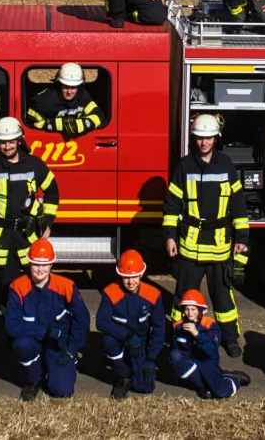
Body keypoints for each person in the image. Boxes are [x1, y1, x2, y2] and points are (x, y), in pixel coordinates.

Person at [163, 114, 249, 358]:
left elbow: (239, 207)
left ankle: (230, 339)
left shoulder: (226, 165)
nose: (204, 142)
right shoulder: (184, 166)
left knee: (223, 297)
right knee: (183, 295)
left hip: (219, 244)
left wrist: (242, 239)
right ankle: (179, 335)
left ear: (216, 138)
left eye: (208, 138)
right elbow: (171, 205)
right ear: (194, 139)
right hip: (189, 245)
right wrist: (169, 236)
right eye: (200, 138)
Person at [0, 117, 59, 306]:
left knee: (38, 280)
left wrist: (48, 222)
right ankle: (11, 325)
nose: (7, 146)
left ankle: (37, 318)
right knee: (7, 285)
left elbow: (52, 192)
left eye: (11, 141)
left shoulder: (35, 165)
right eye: (3, 142)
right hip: (1, 237)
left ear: (19, 140)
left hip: (28, 234)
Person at [5, 239, 90, 401]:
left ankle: (56, 366)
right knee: (21, 345)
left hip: (58, 342)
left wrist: (72, 348)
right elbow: (12, 325)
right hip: (32, 339)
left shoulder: (66, 285)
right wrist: (44, 331)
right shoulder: (17, 287)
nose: (40, 269)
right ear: (29, 263)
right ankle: (33, 378)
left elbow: (82, 319)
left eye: (44, 265)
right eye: (36, 264)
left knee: (62, 391)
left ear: (51, 264)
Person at [96, 249, 166, 399]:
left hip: (140, 344)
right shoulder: (110, 292)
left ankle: (134, 368)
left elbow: (159, 329)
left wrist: (151, 358)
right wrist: (127, 335)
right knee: (108, 341)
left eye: (134, 276)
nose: (130, 281)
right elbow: (101, 322)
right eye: (126, 277)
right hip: (121, 339)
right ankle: (123, 375)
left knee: (145, 387)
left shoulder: (154, 294)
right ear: (120, 275)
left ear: (141, 274)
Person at [169, 290, 251, 399]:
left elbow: (211, 349)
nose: (190, 312)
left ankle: (232, 379)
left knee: (221, 392)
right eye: (187, 309)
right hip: (190, 361)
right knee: (174, 355)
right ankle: (201, 385)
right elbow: (176, 347)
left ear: (200, 310)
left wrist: (197, 334)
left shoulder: (210, 324)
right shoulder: (178, 326)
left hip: (206, 362)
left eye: (193, 309)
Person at [25, 62, 106, 138]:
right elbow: (32, 123)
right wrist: (59, 125)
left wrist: (78, 125)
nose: (69, 92)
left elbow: (99, 116)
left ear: (79, 87)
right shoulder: (44, 101)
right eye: (66, 87)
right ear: (59, 85)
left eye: (73, 88)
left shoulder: (83, 96)